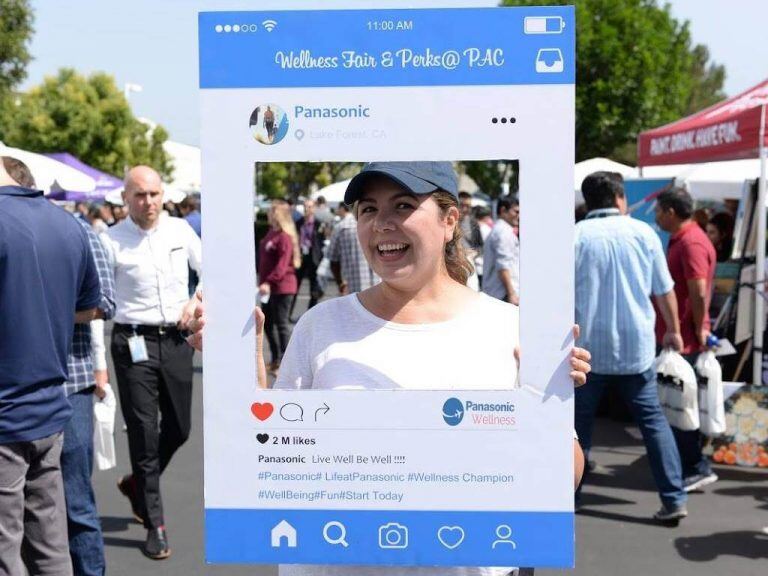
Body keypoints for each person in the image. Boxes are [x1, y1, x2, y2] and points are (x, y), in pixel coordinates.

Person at [183, 161, 592, 576]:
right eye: (368, 209)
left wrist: (546, 410)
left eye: (402, 206)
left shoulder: (512, 329)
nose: (382, 223)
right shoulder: (321, 325)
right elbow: (266, 457)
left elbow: (562, 479)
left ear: (450, 220)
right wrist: (238, 362)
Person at [0, 156, 101, 576]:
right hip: (48, 410)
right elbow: (90, 307)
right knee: (50, 545)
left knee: (6, 551)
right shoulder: (69, 225)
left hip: (7, 413)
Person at [574, 171, 688, 523]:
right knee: (653, 424)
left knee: (577, 426)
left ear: (587, 201)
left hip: (586, 349)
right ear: (620, 198)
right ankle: (673, 498)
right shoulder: (644, 233)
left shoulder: (573, 237)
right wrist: (674, 329)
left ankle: (568, 496)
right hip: (636, 348)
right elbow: (663, 289)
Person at [101, 165, 202, 560]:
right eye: (140, 195)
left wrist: (197, 299)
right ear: (125, 198)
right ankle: (155, 525)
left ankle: (139, 483)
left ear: (164, 195)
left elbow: (210, 270)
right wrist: (99, 364)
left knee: (180, 427)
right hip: (132, 343)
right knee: (144, 432)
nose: (149, 202)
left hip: (176, 340)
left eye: (154, 194)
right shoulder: (109, 241)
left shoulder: (180, 231)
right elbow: (98, 305)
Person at [655, 187, 718, 492]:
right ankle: (689, 462)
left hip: (686, 340)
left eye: (658, 211)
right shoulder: (683, 239)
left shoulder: (691, 241)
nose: (655, 216)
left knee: (682, 406)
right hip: (681, 337)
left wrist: (698, 328)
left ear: (670, 211)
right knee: (677, 405)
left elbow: (699, 290)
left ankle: (696, 465)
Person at [259, 200, 300, 373]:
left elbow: (282, 265)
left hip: (282, 287)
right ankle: (276, 359)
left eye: (271, 211)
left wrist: (269, 281)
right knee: (267, 324)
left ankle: (287, 363)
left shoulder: (284, 237)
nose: (268, 214)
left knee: (281, 325)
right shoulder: (271, 233)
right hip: (268, 288)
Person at [327, 202, 379, 295]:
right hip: (380, 287)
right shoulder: (380, 225)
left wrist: (340, 283)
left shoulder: (340, 227)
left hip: (353, 289)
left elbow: (333, 261)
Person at [290, 198, 326, 319]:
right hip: (300, 258)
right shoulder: (298, 222)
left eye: (310, 207)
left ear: (314, 208)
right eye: (305, 207)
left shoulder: (319, 223)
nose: (307, 209)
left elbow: (322, 242)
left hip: (313, 258)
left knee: (314, 290)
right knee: (294, 287)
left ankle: (310, 317)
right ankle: (288, 314)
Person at [482, 196, 520, 304]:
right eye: (516, 212)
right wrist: (512, 294)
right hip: (503, 295)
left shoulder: (501, 230)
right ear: (503, 210)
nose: (519, 216)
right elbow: (503, 266)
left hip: (499, 294)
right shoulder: (503, 232)